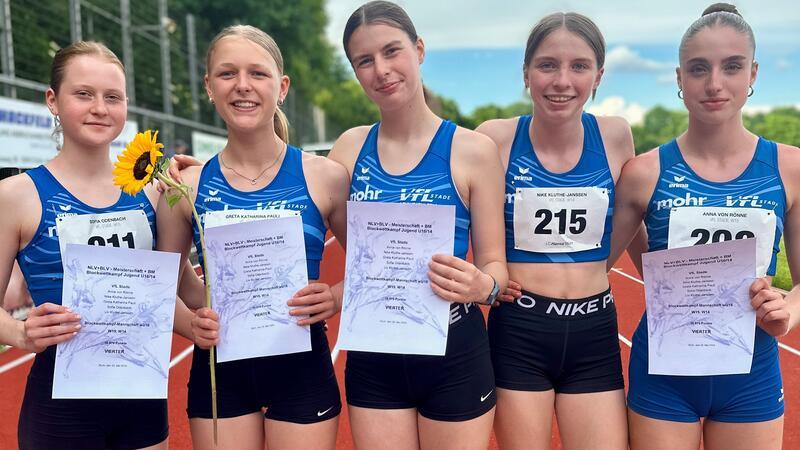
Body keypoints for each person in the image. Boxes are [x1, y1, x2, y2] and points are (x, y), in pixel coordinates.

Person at [608, 4, 800, 449]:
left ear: (752, 73)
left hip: (750, 374)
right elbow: (592, 270)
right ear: (679, 79)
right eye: (699, 68)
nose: (714, 83)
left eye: (731, 67)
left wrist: (788, 313)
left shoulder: (789, 168)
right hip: (663, 374)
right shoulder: (643, 173)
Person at [156, 25, 349, 450]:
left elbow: (374, 267)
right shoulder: (186, 186)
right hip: (218, 370)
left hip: (302, 368)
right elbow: (161, 282)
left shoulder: (326, 177)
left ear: (281, 88)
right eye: (227, 74)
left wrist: (334, 296)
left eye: (257, 74)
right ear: (208, 86)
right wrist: (192, 324)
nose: (242, 86)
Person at [327, 2, 508, 449]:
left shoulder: (473, 151)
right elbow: (292, 197)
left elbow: (496, 267)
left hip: (454, 351)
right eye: (364, 61)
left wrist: (482, 286)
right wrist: (211, 177)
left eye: (392, 52)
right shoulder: (350, 149)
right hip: (375, 355)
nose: (382, 70)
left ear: (419, 49)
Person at [475, 12, 635, 450]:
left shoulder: (616, 136)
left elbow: (636, 221)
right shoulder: (495, 140)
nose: (561, 81)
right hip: (520, 330)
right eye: (547, 65)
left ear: (598, 75)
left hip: (594, 330)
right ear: (526, 73)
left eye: (579, 66)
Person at [0, 41, 168, 449]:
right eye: (83, 94)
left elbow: (174, 287)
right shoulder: (17, 195)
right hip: (61, 404)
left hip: (142, 394)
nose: (100, 108)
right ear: (53, 100)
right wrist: (20, 334)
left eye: (113, 97)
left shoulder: (153, 191)